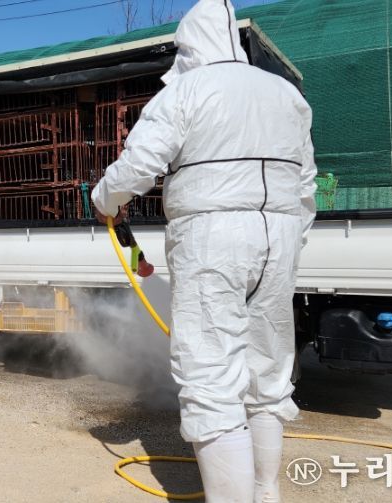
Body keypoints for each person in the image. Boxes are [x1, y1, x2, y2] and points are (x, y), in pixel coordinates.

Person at [91, 0, 317, 501]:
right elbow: (306, 183)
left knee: (211, 379)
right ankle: (266, 492)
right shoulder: (286, 94)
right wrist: (291, 239)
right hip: (280, 239)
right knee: (268, 374)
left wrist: (104, 198)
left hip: (212, 236)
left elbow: (139, 165)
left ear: (189, 44)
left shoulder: (185, 91)